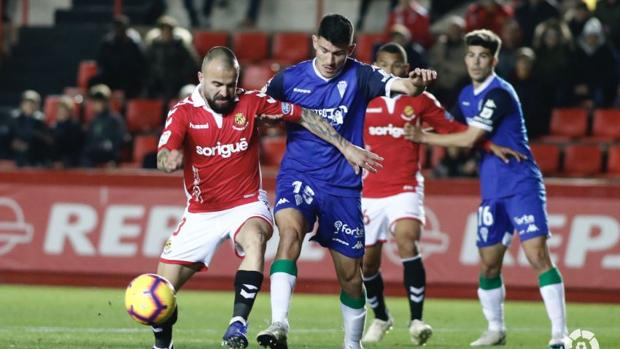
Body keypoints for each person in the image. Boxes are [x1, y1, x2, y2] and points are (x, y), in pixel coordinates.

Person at [152, 46, 381, 349]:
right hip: (200, 212)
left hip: (246, 203)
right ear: (201, 78)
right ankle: (161, 345)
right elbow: (165, 150)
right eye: (217, 85)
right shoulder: (183, 112)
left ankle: (238, 324)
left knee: (256, 238)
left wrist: (345, 146)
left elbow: (305, 115)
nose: (225, 92)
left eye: (231, 84)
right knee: (159, 295)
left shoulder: (251, 102)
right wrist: (168, 159)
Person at [256, 14, 438, 349]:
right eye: (324, 51)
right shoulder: (288, 80)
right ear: (315, 42)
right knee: (290, 234)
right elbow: (254, 109)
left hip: (343, 187)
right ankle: (278, 323)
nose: (329, 60)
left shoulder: (363, 76)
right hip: (300, 175)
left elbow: (406, 87)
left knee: (352, 278)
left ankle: (352, 344)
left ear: (351, 49)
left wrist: (419, 81)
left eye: (338, 53)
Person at [404, 29, 569, 349]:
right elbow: (458, 130)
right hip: (491, 190)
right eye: (471, 55)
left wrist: (424, 137)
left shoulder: (499, 93)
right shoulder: (466, 94)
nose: (476, 62)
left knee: (537, 255)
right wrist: (418, 96)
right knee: (488, 263)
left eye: (483, 56)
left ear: (494, 60)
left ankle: (559, 334)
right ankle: (496, 329)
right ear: (465, 59)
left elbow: (467, 138)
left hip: (521, 184)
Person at [360, 42, 522, 347]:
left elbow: (452, 129)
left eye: (396, 66)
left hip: (405, 185)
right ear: (374, 69)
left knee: (407, 240)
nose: (390, 71)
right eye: (383, 66)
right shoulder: (363, 99)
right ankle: (381, 316)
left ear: (405, 70)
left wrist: (488, 145)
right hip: (368, 191)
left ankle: (417, 319)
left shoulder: (420, 101)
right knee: (367, 264)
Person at [81, 84, 127, 167]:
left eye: (100, 100)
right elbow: (89, 141)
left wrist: (114, 159)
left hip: (109, 154)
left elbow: (119, 141)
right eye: (95, 100)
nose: (97, 103)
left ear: (107, 102)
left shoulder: (115, 119)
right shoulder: (93, 120)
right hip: (93, 154)